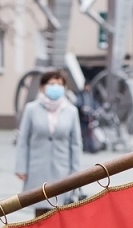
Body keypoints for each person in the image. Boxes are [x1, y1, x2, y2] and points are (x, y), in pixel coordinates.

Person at [15, 70, 83, 215]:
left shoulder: (71, 111)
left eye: (59, 84)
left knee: (59, 212)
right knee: (40, 211)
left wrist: (76, 171)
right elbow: (23, 140)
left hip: (62, 170)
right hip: (37, 169)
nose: (55, 87)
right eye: (51, 84)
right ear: (42, 87)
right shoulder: (31, 109)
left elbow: (76, 144)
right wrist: (21, 167)